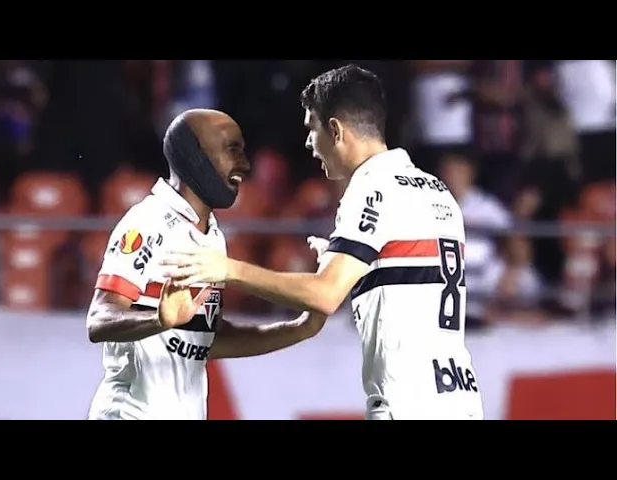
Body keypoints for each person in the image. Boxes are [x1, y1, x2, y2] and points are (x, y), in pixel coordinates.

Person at [161, 66, 484, 420]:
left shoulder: (371, 187)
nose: (308, 143)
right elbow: (408, 276)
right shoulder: (437, 190)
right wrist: (345, 261)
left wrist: (228, 269)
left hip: (410, 404)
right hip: (461, 399)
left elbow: (325, 294)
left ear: (336, 130)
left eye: (311, 129)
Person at [86, 109, 326, 420]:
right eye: (232, 150)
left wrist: (300, 328)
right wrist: (159, 320)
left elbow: (209, 340)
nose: (245, 164)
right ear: (194, 156)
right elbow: (99, 319)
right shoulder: (148, 222)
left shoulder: (212, 235)